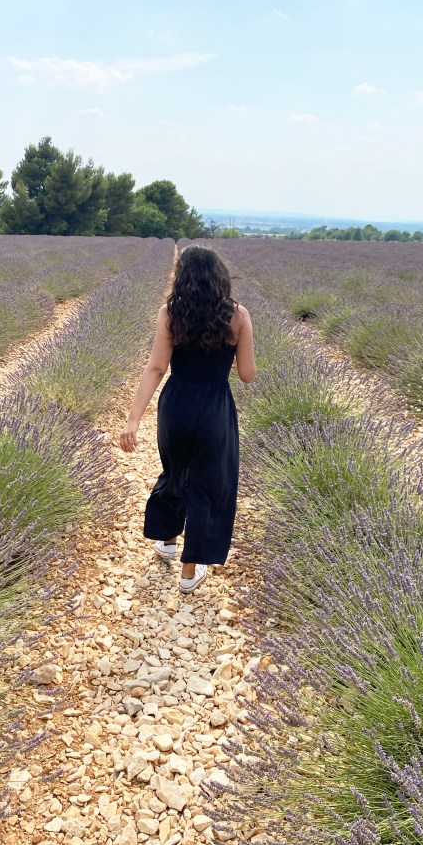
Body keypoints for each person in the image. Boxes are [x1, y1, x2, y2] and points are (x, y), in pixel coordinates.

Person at [119, 244, 256, 594]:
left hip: (176, 404)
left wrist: (133, 419)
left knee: (175, 471)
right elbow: (247, 375)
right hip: (214, 408)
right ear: (219, 276)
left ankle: (167, 541)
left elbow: (155, 367)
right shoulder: (238, 316)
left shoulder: (170, 313)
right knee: (208, 484)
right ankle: (188, 573)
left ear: (182, 275)